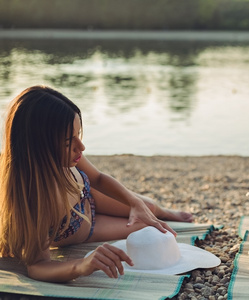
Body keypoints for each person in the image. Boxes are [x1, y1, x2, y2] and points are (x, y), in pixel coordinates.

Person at [0, 85, 193, 283]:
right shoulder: (37, 200)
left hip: (90, 196)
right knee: (143, 228)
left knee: (147, 207)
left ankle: (165, 212)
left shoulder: (70, 157)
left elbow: (98, 178)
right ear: (39, 148)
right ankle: (156, 212)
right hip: (88, 228)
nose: (81, 147)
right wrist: (81, 265)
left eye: (78, 134)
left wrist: (133, 202)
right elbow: (37, 266)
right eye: (69, 142)